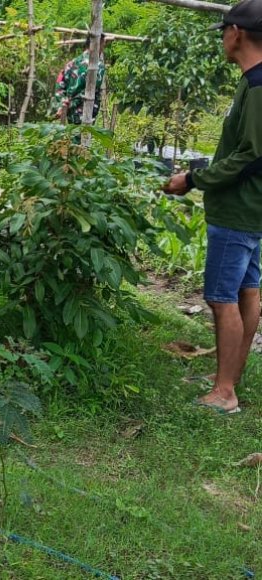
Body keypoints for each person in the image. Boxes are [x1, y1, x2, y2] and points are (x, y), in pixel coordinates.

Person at [162, 0, 262, 414]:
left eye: (224, 31)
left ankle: (224, 393)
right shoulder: (252, 81)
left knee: (222, 297)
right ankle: (229, 377)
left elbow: (253, 154)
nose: (223, 38)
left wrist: (194, 179)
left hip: (238, 209)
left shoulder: (257, 86)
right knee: (247, 291)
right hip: (252, 208)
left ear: (236, 32)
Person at [50, 35, 106, 125]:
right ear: (97, 44)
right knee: (83, 136)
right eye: (103, 45)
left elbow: (60, 84)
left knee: (72, 136)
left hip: (71, 113)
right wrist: (72, 103)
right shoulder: (97, 66)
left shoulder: (71, 63)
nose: (102, 49)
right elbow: (91, 89)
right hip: (86, 112)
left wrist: (64, 104)